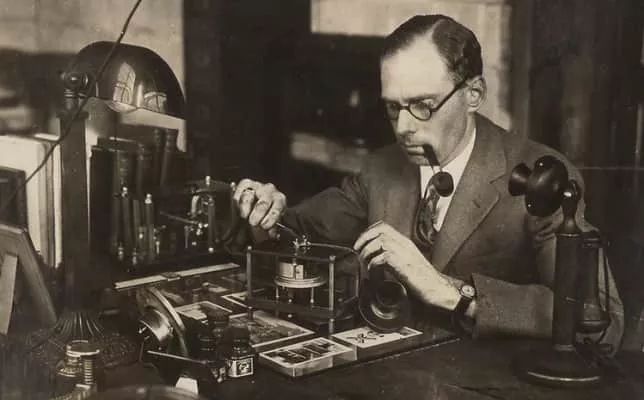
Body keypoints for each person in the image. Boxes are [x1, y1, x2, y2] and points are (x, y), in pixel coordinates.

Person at [232, 14, 624, 346]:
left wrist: (450, 291)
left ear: (473, 94)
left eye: (422, 105)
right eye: (393, 108)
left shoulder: (542, 177)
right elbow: (298, 231)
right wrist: (267, 213)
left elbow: (601, 320)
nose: (403, 128)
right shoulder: (381, 169)